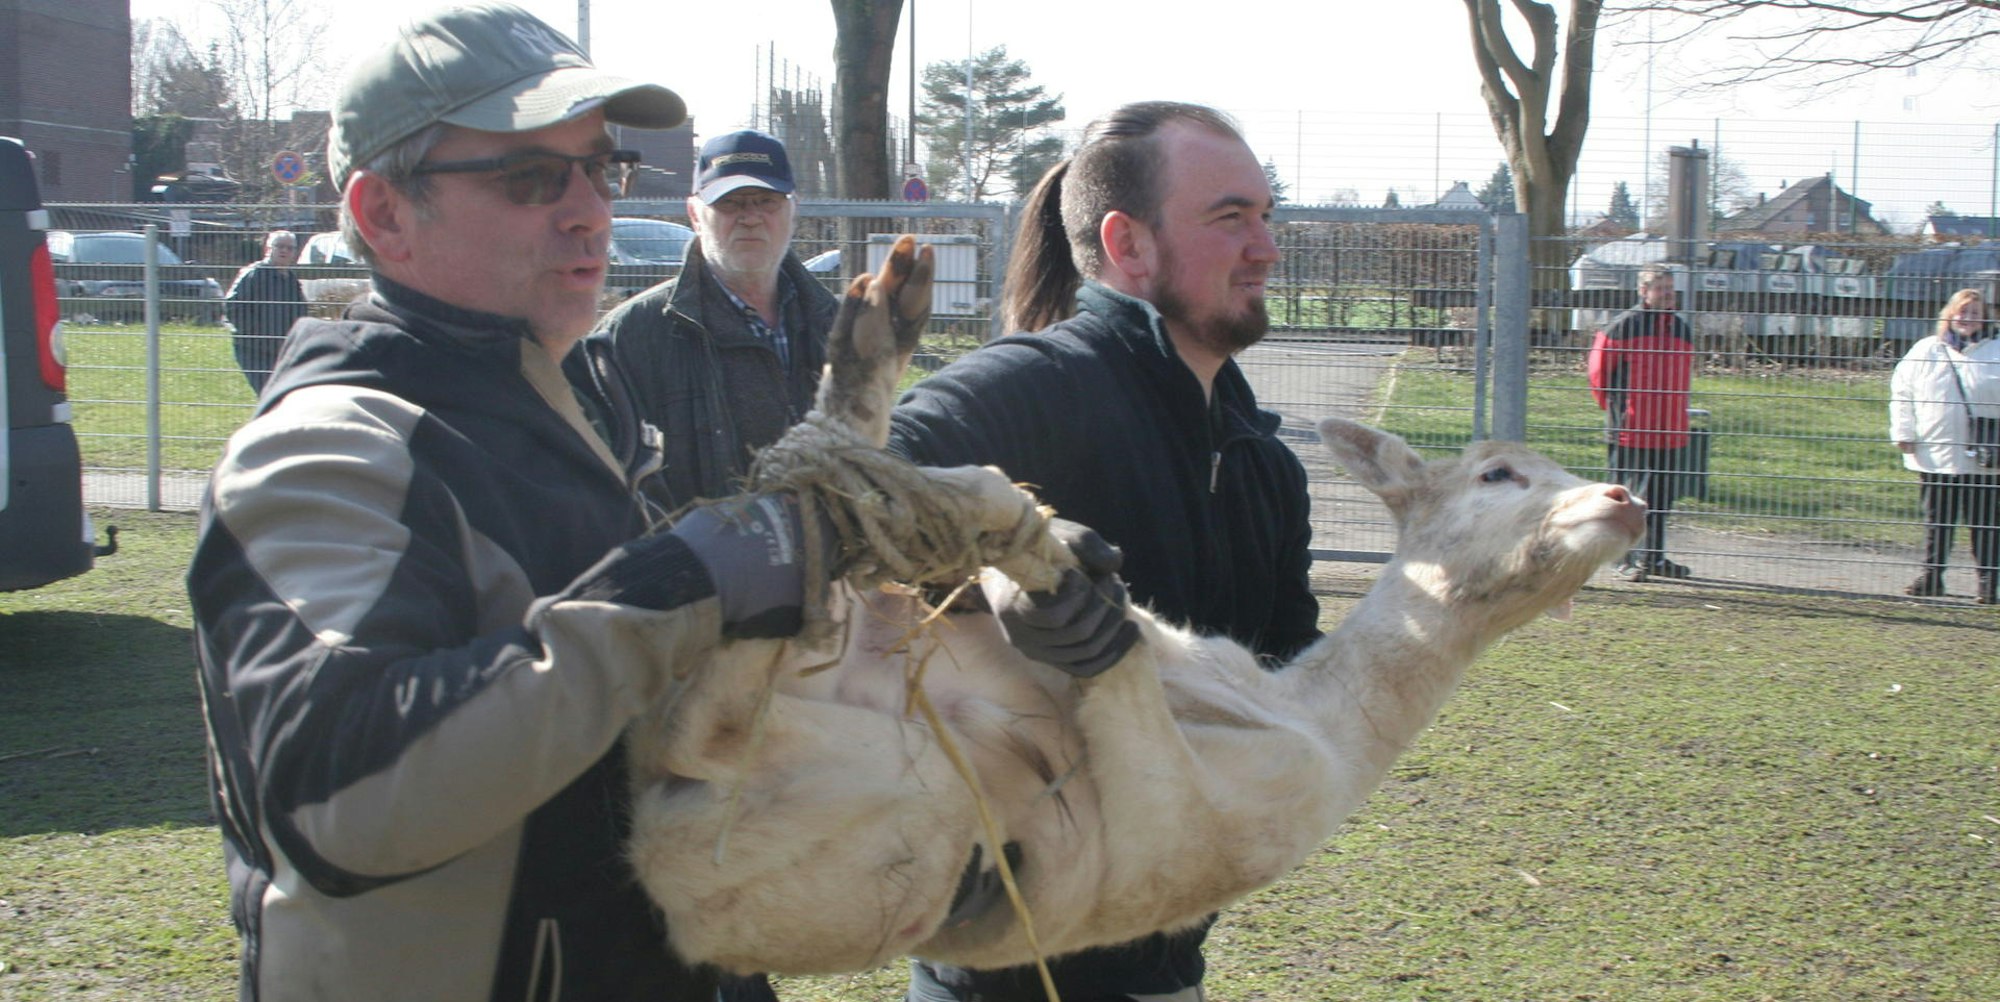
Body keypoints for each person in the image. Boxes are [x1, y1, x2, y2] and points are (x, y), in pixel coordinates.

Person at [187, 5, 1131, 999]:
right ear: (383, 213)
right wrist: (690, 577)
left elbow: (645, 700)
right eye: (530, 176)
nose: (589, 211)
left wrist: (992, 598)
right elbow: (343, 798)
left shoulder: (549, 405)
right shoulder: (327, 450)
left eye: (600, 169)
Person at [887, 100, 1323, 1002]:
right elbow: (863, 489)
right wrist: (998, 576)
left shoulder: (1261, 461)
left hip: (1162, 960)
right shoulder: (1032, 388)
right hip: (1002, 969)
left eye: (1266, 215)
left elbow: (1287, 686)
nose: (1266, 248)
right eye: (1230, 218)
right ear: (1129, 244)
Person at [580, 129, 838, 510]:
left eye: (766, 201)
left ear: (793, 210)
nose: (750, 217)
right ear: (694, 214)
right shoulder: (631, 338)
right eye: (729, 203)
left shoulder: (837, 327)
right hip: (691, 547)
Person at [1889, 287, 2000, 603]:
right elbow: (1902, 392)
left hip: (1985, 456)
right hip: (1935, 451)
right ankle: (1931, 576)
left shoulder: (1996, 350)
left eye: (1975, 313)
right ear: (1949, 314)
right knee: (1937, 520)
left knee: (1985, 523)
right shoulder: (1926, 350)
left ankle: (1988, 584)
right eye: (1962, 311)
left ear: (1985, 317)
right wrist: (1903, 431)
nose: (1967, 318)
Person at [1588, 265, 1697, 582]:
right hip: (1631, 430)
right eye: (1661, 288)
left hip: (1670, 430)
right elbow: (1598, 374)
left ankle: (1653, 558)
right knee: (1626, 499)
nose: (1668, 294)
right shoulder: (1623, 326)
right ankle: (1622, 558)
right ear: (1643, 291)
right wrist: (1616, 411)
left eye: (1670, 288)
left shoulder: (1681, 329)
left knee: (1661, 498)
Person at [222, 229, 309, 392]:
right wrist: (254, 332)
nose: (284, 251)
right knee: (268, 392)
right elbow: (233, 306)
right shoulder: (254, 274)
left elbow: (300, 312)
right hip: (254, 350)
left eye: (290, 248)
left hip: (281, 349)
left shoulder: (291, 279)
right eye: (280, 246)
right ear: (269, 248)